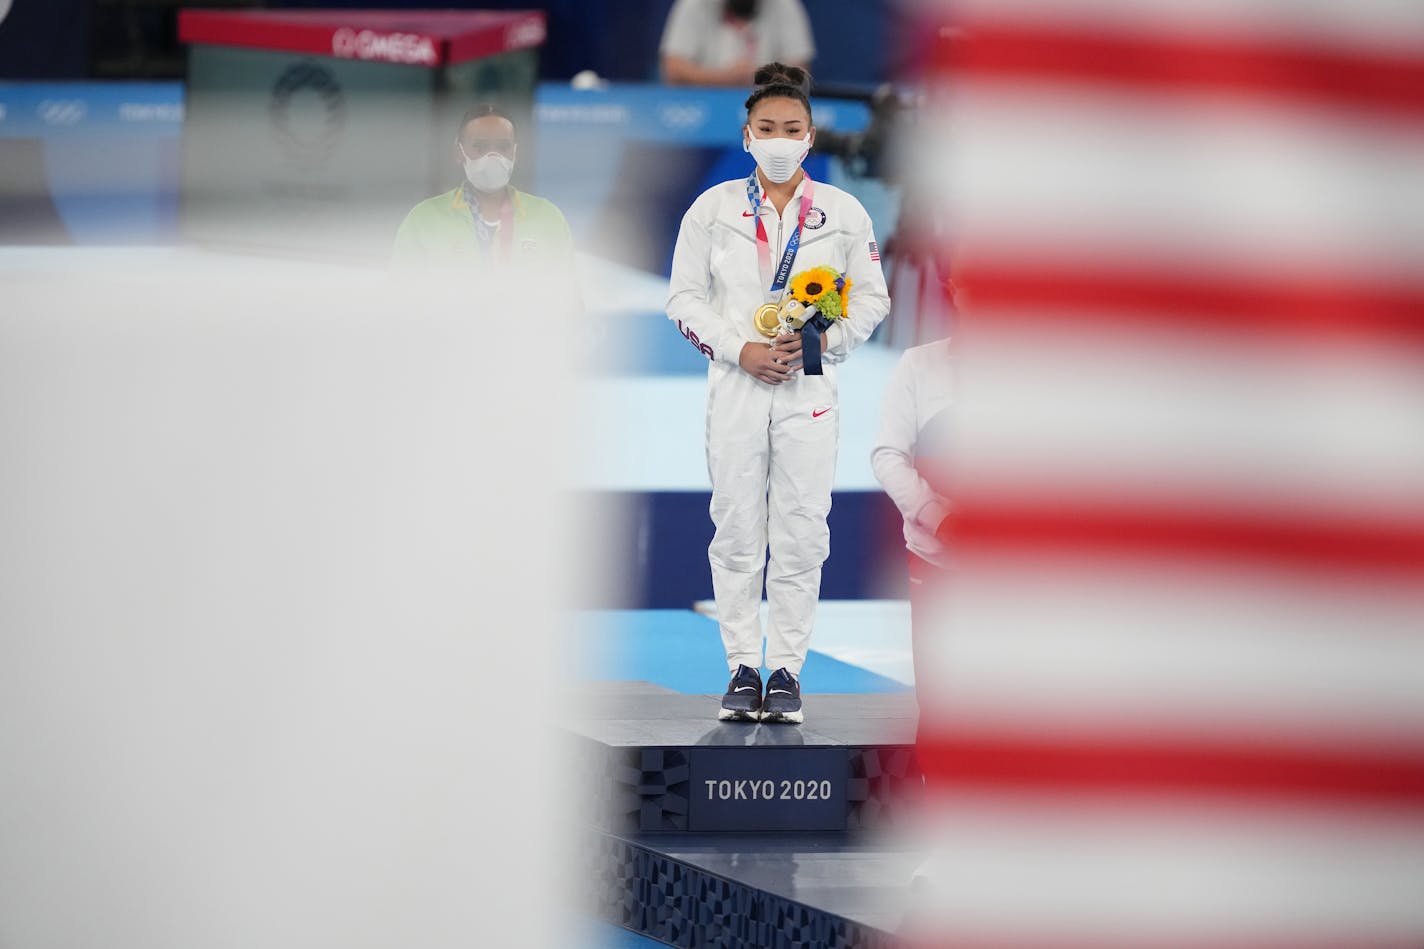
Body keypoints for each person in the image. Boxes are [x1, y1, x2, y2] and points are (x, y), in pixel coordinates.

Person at [667, 63, 891, 723]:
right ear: (746, 136)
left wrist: (819, 346)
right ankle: (740, 667)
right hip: (737, 386)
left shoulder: (843, 214)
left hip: (808, 391)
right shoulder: (712, 211)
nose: (779, 139)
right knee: (736, 529)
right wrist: (741, 350)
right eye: (767, 128)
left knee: (801, 533)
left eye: (791, 128)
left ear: (811, 136)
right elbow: (682, 298)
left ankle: (787, 671)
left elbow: (872, 299)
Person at [392, 104, 575, 274]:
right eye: (480, 147)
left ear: (515, 152)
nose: (492, 157)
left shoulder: (548, 218)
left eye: (503, 146)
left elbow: (569, 301)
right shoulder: (424, 220)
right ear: (459, 152)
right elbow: (401, 300)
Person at [869, 337, 953, 698]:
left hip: (1017, 570)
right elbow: (888, 456)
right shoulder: (920, 364)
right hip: (934, 559)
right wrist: (939, 518)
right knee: (940, 702)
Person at [659, 0, 814, 87]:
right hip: (703, 107)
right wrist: (725, 77)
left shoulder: (785, 5)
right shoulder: (694, 4)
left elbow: (799, 72)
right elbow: (673, 70)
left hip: (769, 107)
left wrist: (761, 77)